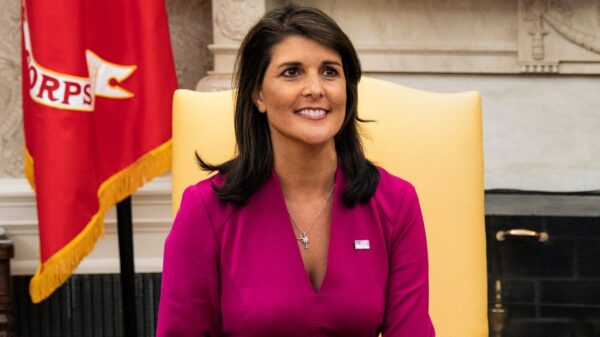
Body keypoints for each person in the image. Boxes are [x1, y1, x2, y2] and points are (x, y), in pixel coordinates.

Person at [157, 4, 435, 337]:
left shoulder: (396, 202)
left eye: (330, 71)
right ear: (258, 94)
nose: (315, 88)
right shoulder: (205, 210)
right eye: (292, 72)